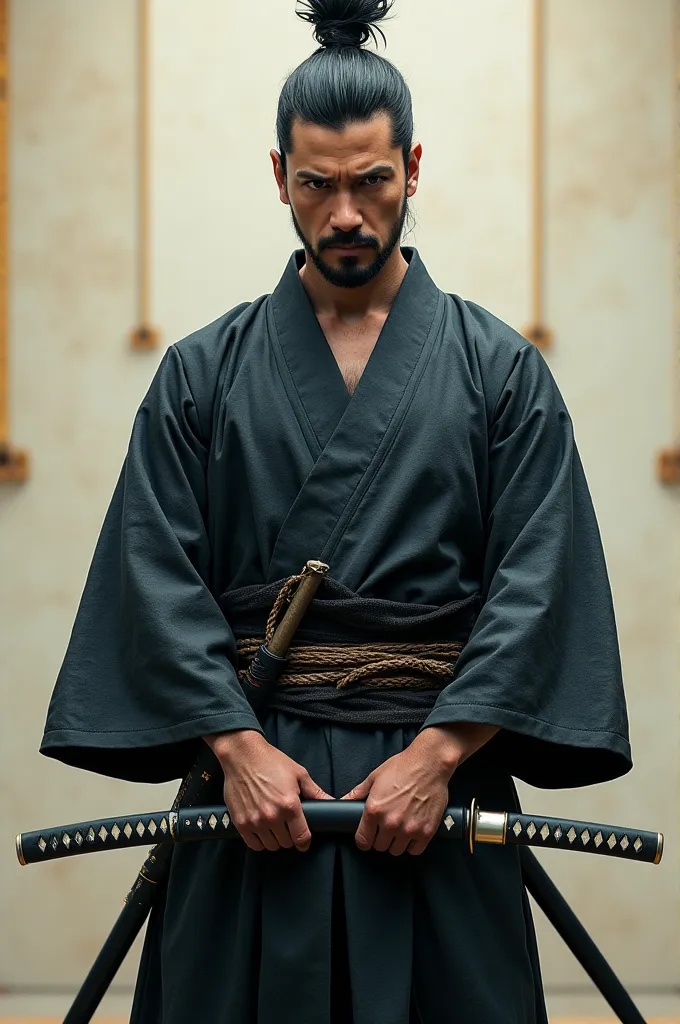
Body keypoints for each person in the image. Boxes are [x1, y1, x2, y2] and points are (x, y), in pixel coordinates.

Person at [41, 1, 632, 1021]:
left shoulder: (498, 374)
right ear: (279, 177)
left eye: (370, 182)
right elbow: (155, 570)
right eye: (316, 186)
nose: (345, 214)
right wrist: (233, 749)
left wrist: (439, 757)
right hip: (250, 779)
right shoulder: (200, 375)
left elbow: (539, 580)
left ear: (412, 166)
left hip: (435, 779)